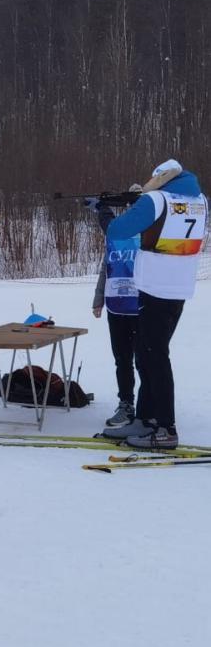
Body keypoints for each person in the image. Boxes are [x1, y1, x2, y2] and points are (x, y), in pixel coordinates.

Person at [101, 159, 207, 449]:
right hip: (179, 287)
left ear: (161, 177)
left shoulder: (155, 199)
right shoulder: (200, 201)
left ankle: (165, 428)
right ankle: (146, 420)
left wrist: (108, 211)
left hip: (154, 287)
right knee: (147, 355)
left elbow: (118, 230)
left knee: (154, 357)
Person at [86, 185, 142, 428]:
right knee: (122, 360)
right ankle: (126, 404)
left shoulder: (151, 231)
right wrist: (99, 298)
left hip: (143, 307)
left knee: (146, 360)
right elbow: (106, 265)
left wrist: (101, 207)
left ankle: (150, 406)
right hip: (117, 305)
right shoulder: (116, 232)